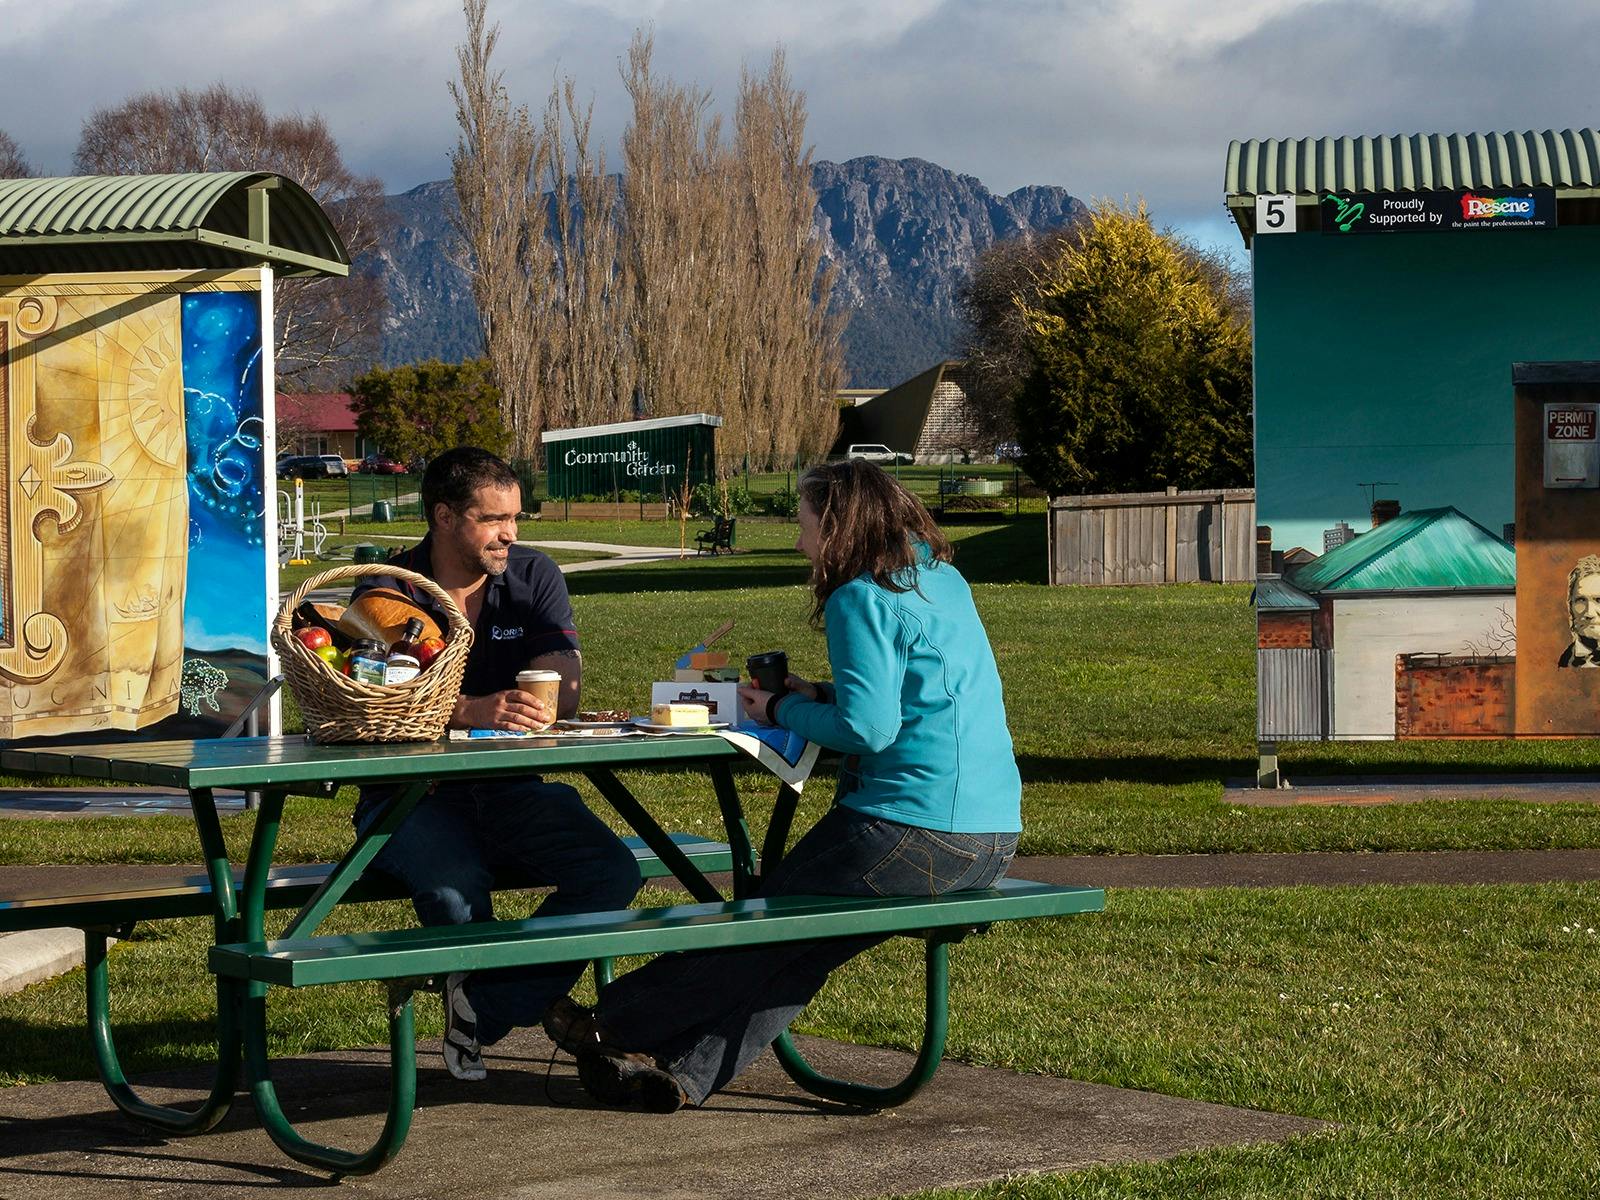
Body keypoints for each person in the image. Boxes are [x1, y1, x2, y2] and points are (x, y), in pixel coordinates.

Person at [553, 459, 1022, 1112]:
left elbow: (869, 729)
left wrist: (771, 710)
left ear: (836, 526)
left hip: (911, 827)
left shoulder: (860, 593)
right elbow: (915, 697)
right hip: (991, 835)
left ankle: (612, 1023)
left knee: (763, 925)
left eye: (802, 526)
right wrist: (818, 695)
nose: (800, 542)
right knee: (803, 946)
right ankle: (678, 1072)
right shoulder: (938, 579)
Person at [353, 447, 641, 1081]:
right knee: (457, 896)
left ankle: (479, 1009)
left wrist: (545, 698)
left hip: (510, 785)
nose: (511, 533)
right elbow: (372, 702)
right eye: (494, 520)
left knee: (611, 872)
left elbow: (564, 686)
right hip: (408, 794)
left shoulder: (534, 574)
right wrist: (468, 710)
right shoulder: (387, 588)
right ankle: (504, 1005)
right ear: (445, 517)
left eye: (517, 517)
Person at [1558, 555, 1600, 667]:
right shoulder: (1563, 661)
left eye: (1599, 600)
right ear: (1570, 605)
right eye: (1581, 600)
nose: (1589, 613)